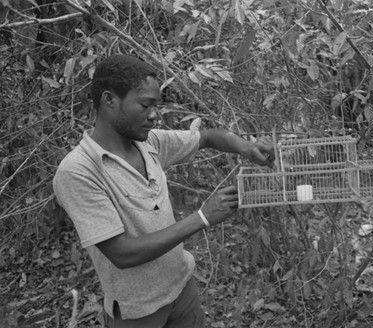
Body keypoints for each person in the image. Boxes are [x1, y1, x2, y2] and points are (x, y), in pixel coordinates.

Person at [53, 54, 275, 328]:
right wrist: (202, 218)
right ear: (109, 100)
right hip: (138, 313)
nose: (155, 115)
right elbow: (122, 253)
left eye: (156, 105)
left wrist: (246, 147)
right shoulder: (78, 171)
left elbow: (207, 137)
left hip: (182, 290)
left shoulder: (149, 143)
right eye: (146, 104)